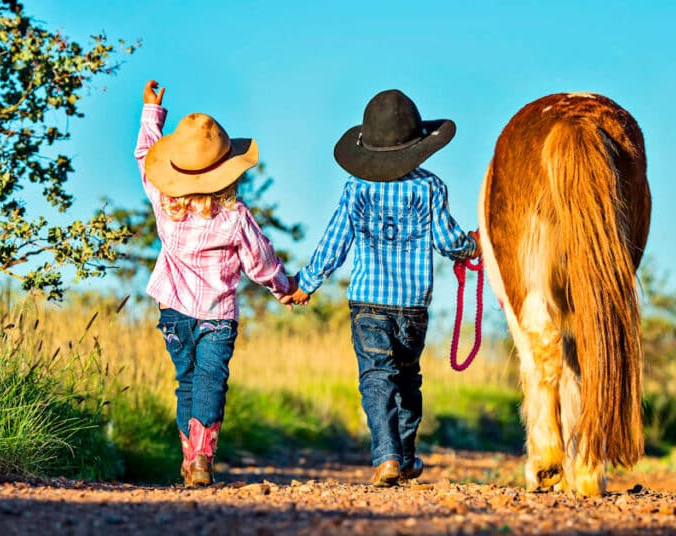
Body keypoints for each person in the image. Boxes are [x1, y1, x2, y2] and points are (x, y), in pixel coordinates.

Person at [282, 89, 480, 487]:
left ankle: (387, 458)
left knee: (376, 377)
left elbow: (334, 241)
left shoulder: (356, 188)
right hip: (413, 307)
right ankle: (405, 458)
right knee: (408, 380)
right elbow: (447, 240)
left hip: (368, 304)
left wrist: (307, 283)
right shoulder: (430, 188)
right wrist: (474, 246)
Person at [135, 80, 295, 486]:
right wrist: (284, 287)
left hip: (173, 311)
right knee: (210, 381)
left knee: (186, 381)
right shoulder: (235, 215)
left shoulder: (162, 201)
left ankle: (190, 460)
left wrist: (151, 113)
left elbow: (142, 156)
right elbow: (260, 263)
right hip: (218, 317)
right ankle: (202, 457)